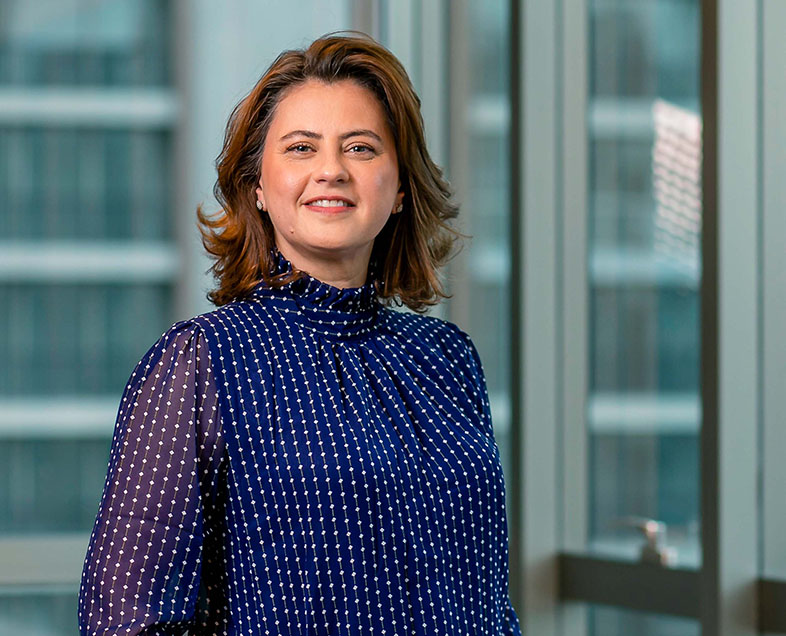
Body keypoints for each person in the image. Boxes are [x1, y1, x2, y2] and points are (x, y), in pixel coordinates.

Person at [78, 32, 521, 635]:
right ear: (258, 187)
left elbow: (488, 599)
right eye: (301, 148)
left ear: (399, 189)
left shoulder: (449, 357)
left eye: (361, 148)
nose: (331, 170)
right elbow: (126, 620)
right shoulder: (201, 362)